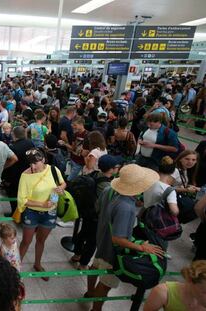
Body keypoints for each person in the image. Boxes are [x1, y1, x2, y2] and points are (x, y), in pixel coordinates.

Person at [86, 164, 164, 311]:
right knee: (106, 283)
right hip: (112, 252)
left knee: (95, 266)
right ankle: (95, 309)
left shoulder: (109, 189)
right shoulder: (126, 207)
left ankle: (89, 292)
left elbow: (99, 208)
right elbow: (118, 239)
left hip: (101, 239)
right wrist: (142, 247)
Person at [18, 148, 66, 281]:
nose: (32, 166)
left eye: (35, 163)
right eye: (30, 164)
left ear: (43, 160)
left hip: (50, 211)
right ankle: (15, 268)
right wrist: (42, 205)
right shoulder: (25, 175)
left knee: (41, 240)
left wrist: (61, 188)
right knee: (26, 241)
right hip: (32, 212)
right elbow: (23, 200)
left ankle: (37, 264)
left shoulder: (53, 170)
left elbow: (62, 183)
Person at [71, 154, 122, 270]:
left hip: (86, 213)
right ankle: (83, 264)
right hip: (96, 217)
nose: (118, 169)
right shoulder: (107, 186)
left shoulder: (94, 174)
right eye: (117, 167)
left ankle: (76, 255)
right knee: (92, 242)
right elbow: (108, 204)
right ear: (111, 169)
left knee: (83, 233)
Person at [59, 117, 89, 181]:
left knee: (69, 179)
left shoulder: (88, 135)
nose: (73, 127)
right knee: (72, 179)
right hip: (73, 159)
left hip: (80, 162)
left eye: (75, 125)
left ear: (81, 124)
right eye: (73, 125)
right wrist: (64, 143)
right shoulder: (75, 134)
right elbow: (73, 148)